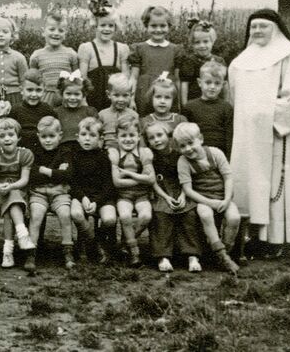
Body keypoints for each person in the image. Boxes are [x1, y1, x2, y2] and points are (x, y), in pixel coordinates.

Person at [228, 9, 290, 253]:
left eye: (263, 26)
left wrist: (266, 116)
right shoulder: (239, 62)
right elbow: (234, 98)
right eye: (253, 26)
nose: (257, 31)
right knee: (248, 182)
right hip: (245, 134)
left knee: (273, 183)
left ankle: (274, 239)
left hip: (275, 132)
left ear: (275, 30)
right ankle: (248, 236)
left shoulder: (286, 56)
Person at [174, 122, 241, 274]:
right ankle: (221, 255)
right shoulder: (183, 162)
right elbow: (188, 190)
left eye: (191, 143)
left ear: (201, 139)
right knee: (205, 214)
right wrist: (209, 202)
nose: (188, 149)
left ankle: (226, 250)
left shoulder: (215, 153)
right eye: (182, 146)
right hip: (202, 199)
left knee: (234, 218)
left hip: (223, 197)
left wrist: (226, 199)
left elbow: (228, 177)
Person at [144, 120, 201, 273]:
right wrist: (166, 198)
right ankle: (163, 256)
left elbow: (187, 178)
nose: (156, 140)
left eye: (159, 135)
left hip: (182, 190)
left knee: (190, 214)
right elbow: (153, 182)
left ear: (168, 136)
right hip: (161, 193)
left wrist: (183, 195)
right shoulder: (149, 159)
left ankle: (192, 255)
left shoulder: (180, 156)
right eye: (151, 138)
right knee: (160, 215)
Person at [0, 118, 36, 268]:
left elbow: (24, 180)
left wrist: (11, 187)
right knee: (11, 201)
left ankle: (7, 253)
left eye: (11, 135)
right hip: (0, 192)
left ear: (18, 137)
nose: (7, 138)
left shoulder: (25, 154)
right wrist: (0, 186)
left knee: (10, 208)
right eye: (2, 136)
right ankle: (22, 235)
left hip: (19, 191)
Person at [26, 117, 75, 271]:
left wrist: (45, 170)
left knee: (65, 214)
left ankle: (68, 251)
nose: (47, 140)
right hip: (39, 192)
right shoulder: (34, 152)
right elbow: (32, 175)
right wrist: (56, 172)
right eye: (44, 136)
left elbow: (68, 175)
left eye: (52, 136)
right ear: (38, 136)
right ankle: (31, 252)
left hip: (60, 192)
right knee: (36, 216)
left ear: (60, 135)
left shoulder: (65, 152)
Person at [109, 114, 155, 266]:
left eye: (132, 135)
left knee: (146, 216)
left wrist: (128, 174)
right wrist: (141, 178)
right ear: (116, 137)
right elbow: (117, 182)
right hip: (124, 195)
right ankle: (135, 253)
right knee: (125, 216)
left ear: (139, 136)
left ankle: (125, 243)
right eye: (123, 136)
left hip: (142, 195)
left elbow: (151, 179)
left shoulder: (144, 152)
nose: (128, 139)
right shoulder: (115, 153)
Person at [70, 117, 117, 264]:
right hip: (81, 195)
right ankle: (90, 239)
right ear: (78, 137)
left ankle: (100, 239)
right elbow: (73, 182)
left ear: (100, 139)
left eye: (92, 135)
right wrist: (83, 197)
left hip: (102, 197)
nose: (87, 139)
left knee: (109, 219)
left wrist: (97, 202)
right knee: (76, 214)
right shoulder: (74, 156)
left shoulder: (104, 157)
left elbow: (109, 185)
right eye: (83, 135)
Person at [78, 0, 130, 111]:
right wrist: (83, 100)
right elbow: (83, 77)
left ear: (115, 28)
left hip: (116, 101)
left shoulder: (121, 48)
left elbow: (126, 77)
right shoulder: (87, 48)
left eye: (110, 26)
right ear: (95, 26)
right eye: (102, 25)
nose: (107, 29)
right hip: (93, 100)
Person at [128, 6, 182, 115]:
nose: (158, 30)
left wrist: (179, 101)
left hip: (167, 94)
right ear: (146, 26)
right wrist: (131, 98)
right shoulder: (139, 48)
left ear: (169, 26)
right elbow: (133, 77)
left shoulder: (175, 50)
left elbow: (177, 79)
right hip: (143, 94)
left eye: (162, 26)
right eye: (153, 26)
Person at [29, 7, 79, 107]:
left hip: (66, 97)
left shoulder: (71, 54)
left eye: (61, 30)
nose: (56, 33)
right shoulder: (36, 56)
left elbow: (77, 78)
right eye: (52, 29)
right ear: (43, 31)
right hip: (45, 97)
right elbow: (33, 81)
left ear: (65, 34)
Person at [182, 61, 233, 158]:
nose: (212, 87)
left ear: (223, 84)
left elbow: (229, 137)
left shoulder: (226, 108)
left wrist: (228, 158)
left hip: (220, 156)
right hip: (196, 155)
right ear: (199, 82)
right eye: (208, 82)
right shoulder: (189, 107)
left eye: (217, 83)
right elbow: (185, 136)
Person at [178, 19, 226, 105]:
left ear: (212, 41)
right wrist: (185, 105)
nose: (202, 45)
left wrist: (227, 103)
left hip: (215, 103)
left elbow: (225, 84)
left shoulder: (219, 61)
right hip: (194, 103)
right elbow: (185, 84)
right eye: (197, 42)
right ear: (192, 44)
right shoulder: (190, 61)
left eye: (206, 41)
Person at [8, 68, 57, 151]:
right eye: (30, 90)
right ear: (21, 90)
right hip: (21, 150)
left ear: (44, 91)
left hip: (42, 150)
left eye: (38, 90)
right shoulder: (15, 110)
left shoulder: (48, 110)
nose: (34, 94)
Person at [53, 71, 97, 153]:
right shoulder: (56, 112)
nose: (72, 98)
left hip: (84, 151)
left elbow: (96, 134)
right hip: (63, 151)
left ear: (83, 95)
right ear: (62, 94)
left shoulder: (90, 112)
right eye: (68, 94)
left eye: (77, 94)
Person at [97, 73, 138, 149]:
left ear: (131, 95)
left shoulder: (134, 115)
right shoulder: (102, 115)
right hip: (108, 151)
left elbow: (137, 137)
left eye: (125, 95)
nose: (121, 99)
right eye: (116, 95)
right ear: (108, 94)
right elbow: (98, 137)